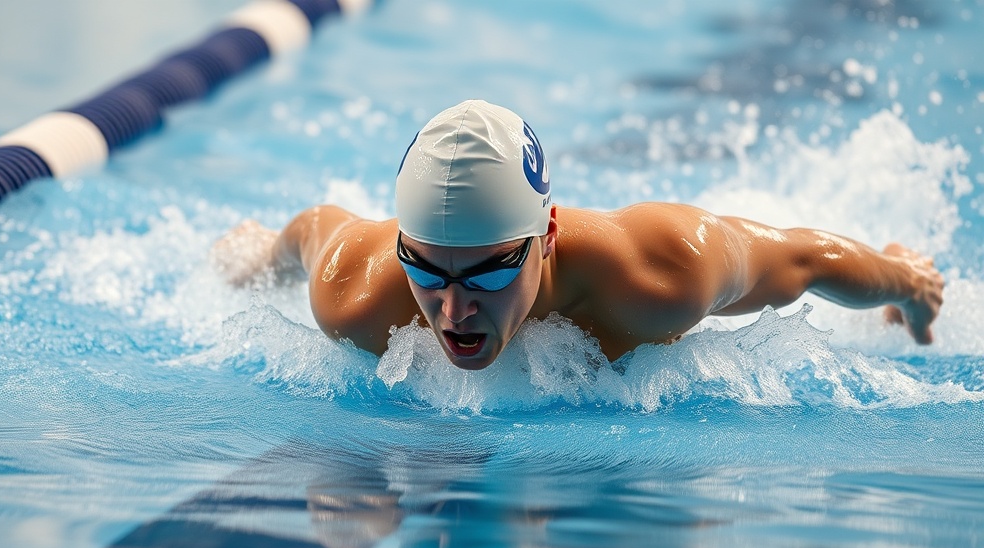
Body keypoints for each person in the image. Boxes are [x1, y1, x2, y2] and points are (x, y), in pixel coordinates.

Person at [211, 99, 944, 370]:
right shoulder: (358, 290)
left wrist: (907, 286)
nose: (453, 311)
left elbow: (804, 258)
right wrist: (258, 257)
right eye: (428, 270)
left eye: (490, 272)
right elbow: (317, 230)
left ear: (548, 234)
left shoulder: (661, 273)